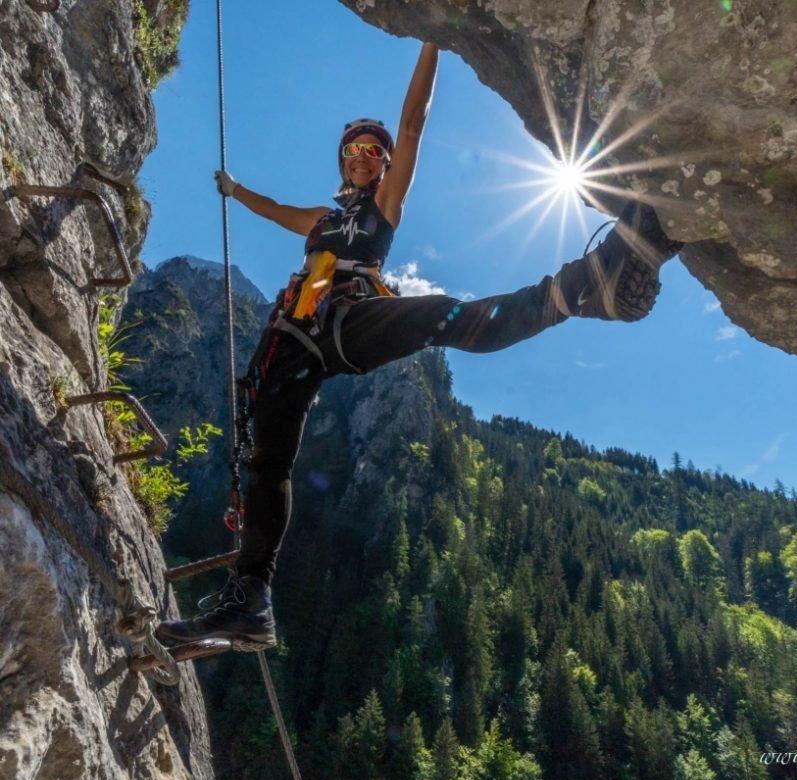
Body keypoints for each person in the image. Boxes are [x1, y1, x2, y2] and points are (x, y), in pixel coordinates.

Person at [157, 42, 681, 650]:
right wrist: (234, 189)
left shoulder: (384, 205)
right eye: (354, 149)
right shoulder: (323, 220)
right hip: (290, 342)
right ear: (342, 161)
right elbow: (274, 211)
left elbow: (413, 122)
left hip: (349, 317)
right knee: (266, 465)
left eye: (374, 151)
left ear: (383, 165)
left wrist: (432, 38)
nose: (364, 156)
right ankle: (250, 600)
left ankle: (582, 288)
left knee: (442, 316)